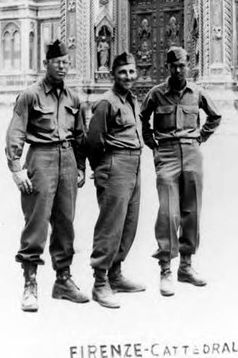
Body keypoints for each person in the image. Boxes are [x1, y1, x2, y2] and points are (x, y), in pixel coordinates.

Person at [5, 39, 89, 312]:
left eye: (66, 62)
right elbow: (16, 131)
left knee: (66, 222)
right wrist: (16, 167)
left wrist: (80, 166)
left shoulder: (74, 98)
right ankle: (30, 283)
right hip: (40, 158)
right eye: (57, 63)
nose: (62, 67)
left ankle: (63, 280)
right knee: (37, 222)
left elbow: (79, 135)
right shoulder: (30, 95)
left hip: (67, 160)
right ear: (47, 64)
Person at [140, 46, 221, 297]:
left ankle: (186, 266)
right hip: (167, 155)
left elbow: (215, 116)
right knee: (168, 212)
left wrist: (200, 138)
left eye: (182, 65)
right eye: (173, 66)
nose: (178, 70)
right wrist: (153, 145)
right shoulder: (156, 94)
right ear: (167, 67)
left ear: (188, 65)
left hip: (192, 152)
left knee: (191, 210)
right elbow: (143, 118)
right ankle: (165, 269)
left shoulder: (197, 93)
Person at [86, 52, 145, 308]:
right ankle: (100, 283)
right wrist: (102, 170)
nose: (128, 76)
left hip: (134, 165)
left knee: (128, 224)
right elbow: (93, 142)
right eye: (123, 72)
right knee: (110, 225)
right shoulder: (105, 102)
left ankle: (116, 275)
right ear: (113, 75)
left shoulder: (132, 99)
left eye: (131, 72)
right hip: (115, 165)